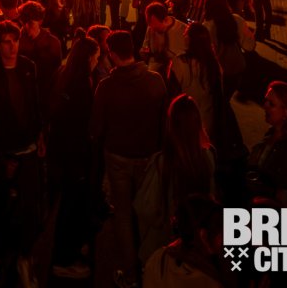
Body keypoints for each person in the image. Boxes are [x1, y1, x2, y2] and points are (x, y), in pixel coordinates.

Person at [90, 29, 168, 288]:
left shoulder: (106, 87)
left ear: (112, 54)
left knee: (123, 214)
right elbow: (164, 120)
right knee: (148, 210)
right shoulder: (155, 81)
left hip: (118, 156)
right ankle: (152, 267)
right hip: (148, 156)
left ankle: (131, 274)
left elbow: (96, 128)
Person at [0, 20, 43, 288]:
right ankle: (0, 258)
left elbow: (35, 102)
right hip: (5, 150)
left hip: (28, 147)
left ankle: (24, 258)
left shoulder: (28, 67)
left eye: (15, 40)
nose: (12, 46)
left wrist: (40, 134)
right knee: (2, 209)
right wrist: (0, 155)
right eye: (7, 41)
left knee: (29, 208)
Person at [134, 95, 215, 265]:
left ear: (171, 125)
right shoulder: (207, 158)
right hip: (194, 243)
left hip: (163, 244)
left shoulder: (162, 163)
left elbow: (146, 208)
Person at [48, 34, 100, 280]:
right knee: (70, 206)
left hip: (62, 152)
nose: (97, 62)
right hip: (75, 154)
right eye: (96, 57)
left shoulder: (63, 75)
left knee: (68, 204)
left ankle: (71, 248)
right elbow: (82, 122)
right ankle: (63, 259)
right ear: (88, 58)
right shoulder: (80, 85)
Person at [142, 195, 228, 288]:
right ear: (203, 236)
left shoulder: (157, 260)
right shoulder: (210, 280)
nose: (224, 239)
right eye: (220, 230)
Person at [202, 0, 255, 99]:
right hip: (237, 67)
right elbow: (250, 46)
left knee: (218, 99)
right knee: (226, 97)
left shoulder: (206, 28)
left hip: (219, 72)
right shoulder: (237, 20)